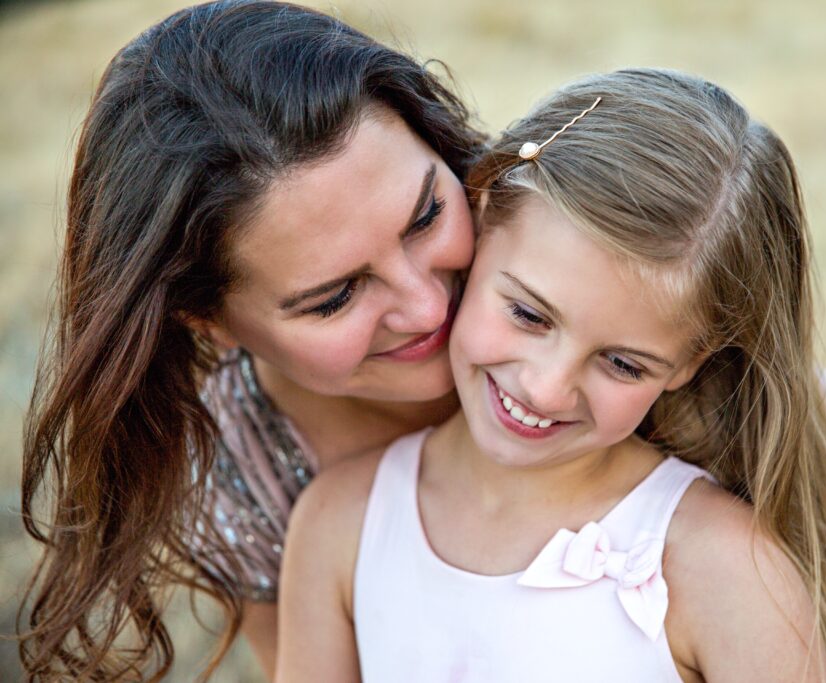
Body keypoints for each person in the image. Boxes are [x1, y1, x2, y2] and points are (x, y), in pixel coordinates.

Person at [275, 69, 826, 682]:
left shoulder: (723, 566)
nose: (547, 388)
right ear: (483, 213)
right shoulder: (341, 524)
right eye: (528, 314)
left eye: (623, 363)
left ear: (691, 362)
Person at [19, 1, 484, 679]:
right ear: (207, 320)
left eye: (426, 215)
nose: (425, 304)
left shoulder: (584, 248)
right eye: (336, 296)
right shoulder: (241, 482)